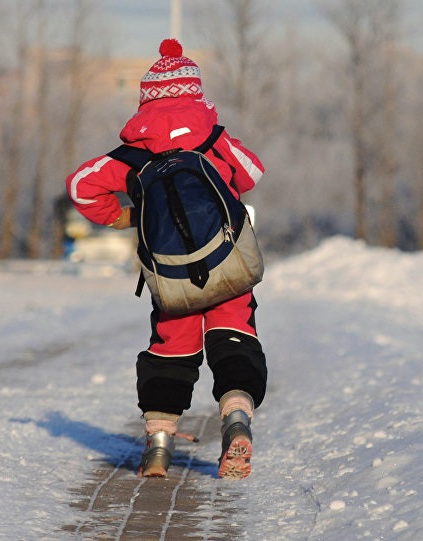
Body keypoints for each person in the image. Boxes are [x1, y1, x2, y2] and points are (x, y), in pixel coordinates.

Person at [65, 39, 267, 480]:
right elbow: (252, 173)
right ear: (195, 94)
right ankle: (236, 421)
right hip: (229, 265)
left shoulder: (132, 155)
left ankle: (158, 446)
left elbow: (80, 185)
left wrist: (119, 216)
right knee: (234, 338)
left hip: (171, 278)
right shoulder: (214, 138)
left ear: (145, 100)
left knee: (171, 350)